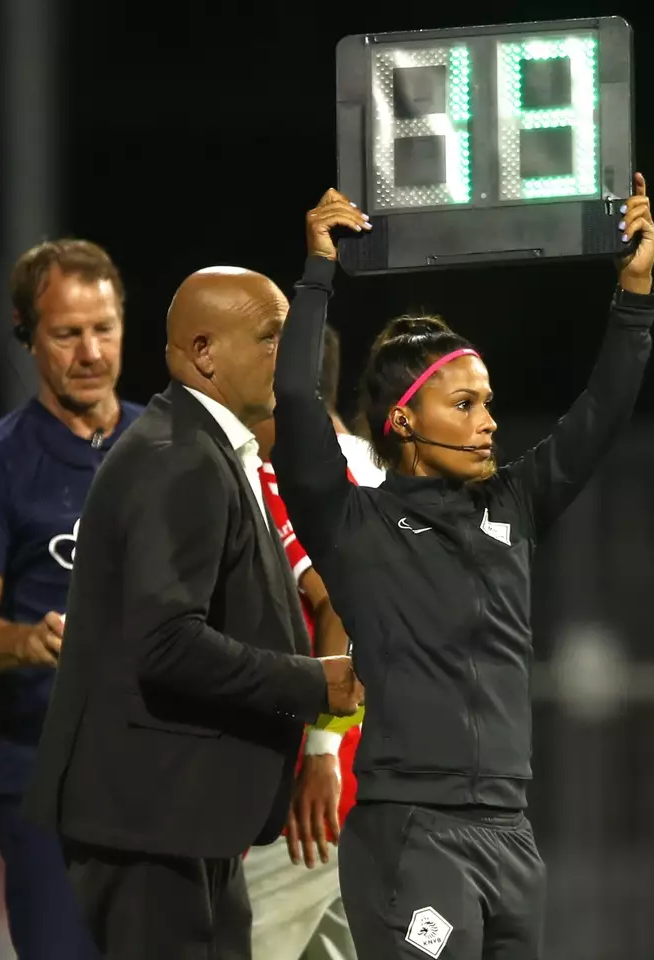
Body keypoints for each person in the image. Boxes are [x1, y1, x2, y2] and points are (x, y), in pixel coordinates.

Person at [271, 177, 654, 959]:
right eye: (464, 406)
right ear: (404, 420)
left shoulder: (511, 505)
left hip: (512, 837)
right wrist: (319, 273)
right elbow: (293, 398)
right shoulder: (356, 524)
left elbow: (600, 413)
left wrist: (635, 292)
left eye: (488, 402)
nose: (488, 423)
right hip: (413, 835)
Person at [22, 265, 364, 960]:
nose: (287, 356)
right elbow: (167, 643)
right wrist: (312, 684)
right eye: (271, 338)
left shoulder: (205, 448)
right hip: (151, 822)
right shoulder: (178, 458)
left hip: (187, 822)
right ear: (204, 353)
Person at [0, 238, 142, 960]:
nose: (91, 351)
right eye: (67, 333)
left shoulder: (173, 448)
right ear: (28, 338)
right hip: (48, 782)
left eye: (105, 328)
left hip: (165, 778)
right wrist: (26, 640)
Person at [244, 325, 383, 960]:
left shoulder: (289, 476)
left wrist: (322, 751)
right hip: (398, 782)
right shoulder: (388, 467)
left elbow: (339, 601)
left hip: (317, 791)